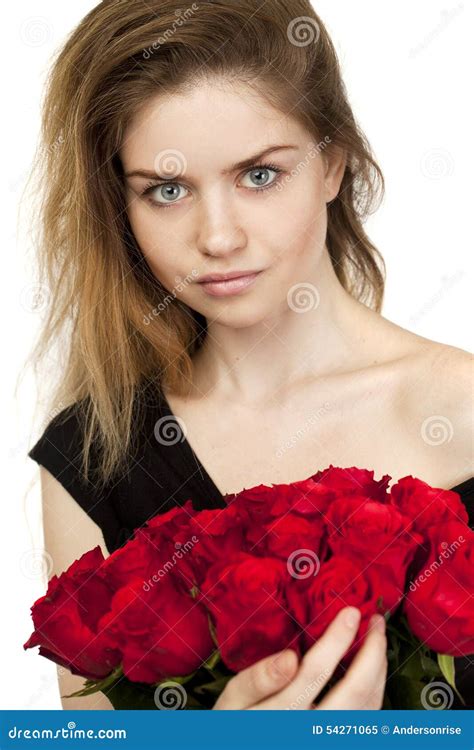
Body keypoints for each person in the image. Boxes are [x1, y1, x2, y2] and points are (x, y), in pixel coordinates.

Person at [26, 0, 472, 710]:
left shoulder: (466, 410)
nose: (219, 237)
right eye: (168, 191)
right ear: (122, 205)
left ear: (332, 165)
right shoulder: (94, 461)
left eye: (258, 175)